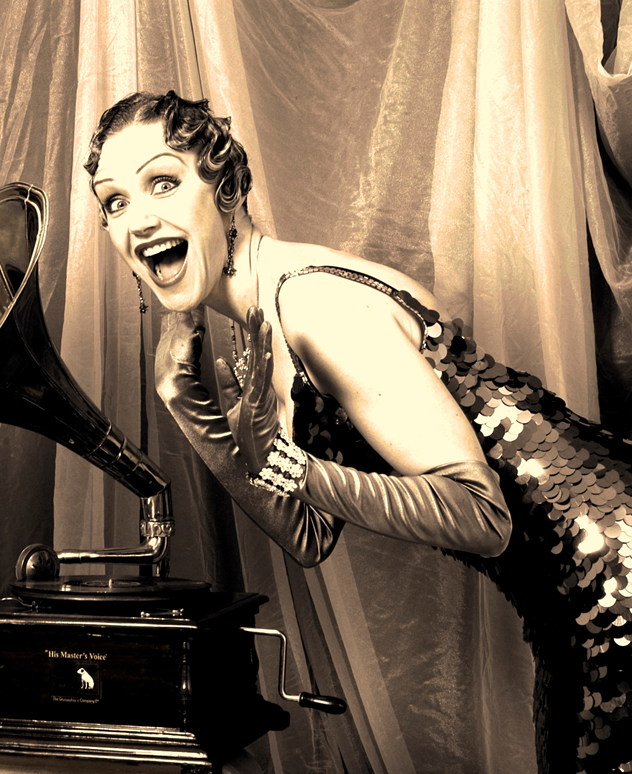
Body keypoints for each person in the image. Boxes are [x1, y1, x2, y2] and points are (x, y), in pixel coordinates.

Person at [84, 90, 631, 774]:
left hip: (614, 574)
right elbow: (308, 534)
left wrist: (296, 469)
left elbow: (482, 516)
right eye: (114, 201)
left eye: (162, 182)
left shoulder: (313, 304)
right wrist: (188, 406)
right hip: (569, 598)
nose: (137, 219)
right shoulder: (265, 319)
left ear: (225, 189)